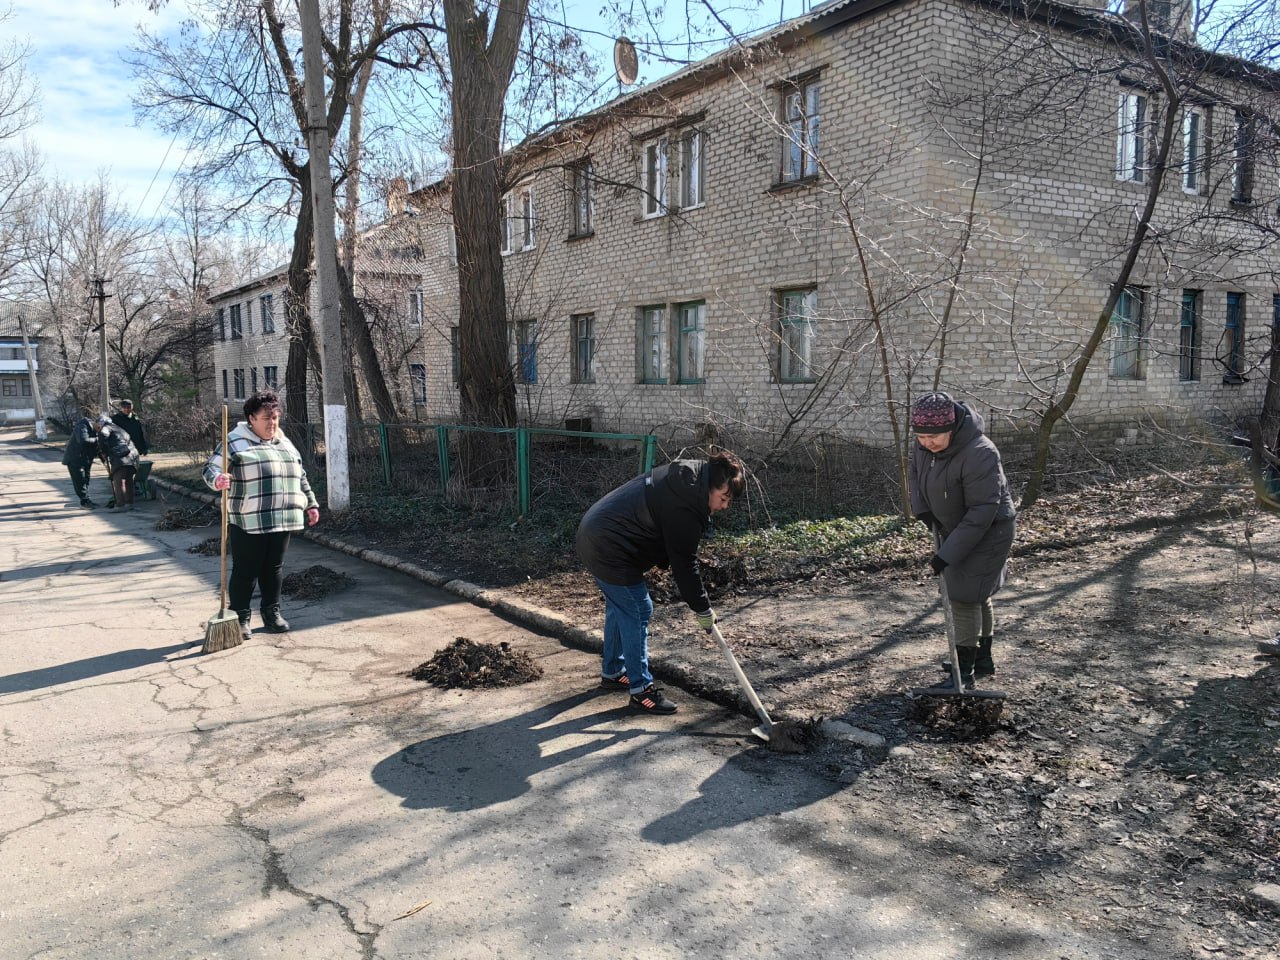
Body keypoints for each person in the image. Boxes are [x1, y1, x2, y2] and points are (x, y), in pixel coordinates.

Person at [576, 451, 745, 714]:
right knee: (638, 609)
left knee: (621, 607)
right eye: (723, 498)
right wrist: (702, 608)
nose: (724, 506)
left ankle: (612, 672)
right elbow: (684, 565)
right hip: (607, 545)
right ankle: (641, 690)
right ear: (710, 487)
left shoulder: (689, 479)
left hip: (597, 533)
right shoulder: (685, 506)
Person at [909, 392, 1016, 689]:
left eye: (935, 437)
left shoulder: (980, 452)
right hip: (955, 527)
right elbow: (915, 475)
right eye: (921, 436)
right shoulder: (924, 447)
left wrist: (947, 554)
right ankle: (981, 660)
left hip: (988, 532)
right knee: (977, 593)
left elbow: (983, 510)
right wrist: (923, 510)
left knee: (965, 595)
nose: (927, 443)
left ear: (953, 428)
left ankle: (963, 673)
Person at [204, 390, 319, 643]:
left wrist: (311, 504)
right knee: (246, 569)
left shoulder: (284, 442)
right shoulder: (234, 441)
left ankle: (271, 612)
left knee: (274, 568)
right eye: (266, 418)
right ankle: (241, 616)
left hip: (282, 517)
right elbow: (211, 468)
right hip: (249, 518)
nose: (272, 423)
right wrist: (218, 479)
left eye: (275, 417)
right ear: (251, 419)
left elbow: (300, 476)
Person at [97, 415, 141, 511]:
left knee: (118, 481)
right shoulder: (119, 428)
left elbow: (103, 435)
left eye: (98, 425)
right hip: (133, 456)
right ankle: (129, 503)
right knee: (129, 481)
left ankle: (120, 505)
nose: (98, 428)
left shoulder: (106, 428)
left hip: (120, 457)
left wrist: (103, 451)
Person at [61, 414, 100, 508]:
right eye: (99, 427)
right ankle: (84, 501)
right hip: (75, 458)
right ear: (96, 422)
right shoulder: (83, 425)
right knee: (80, 481)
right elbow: (83, 440)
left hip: (85, 459)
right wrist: (97, 440)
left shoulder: (93, 429)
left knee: (86, 479)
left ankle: (86, 499)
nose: (100, 429)